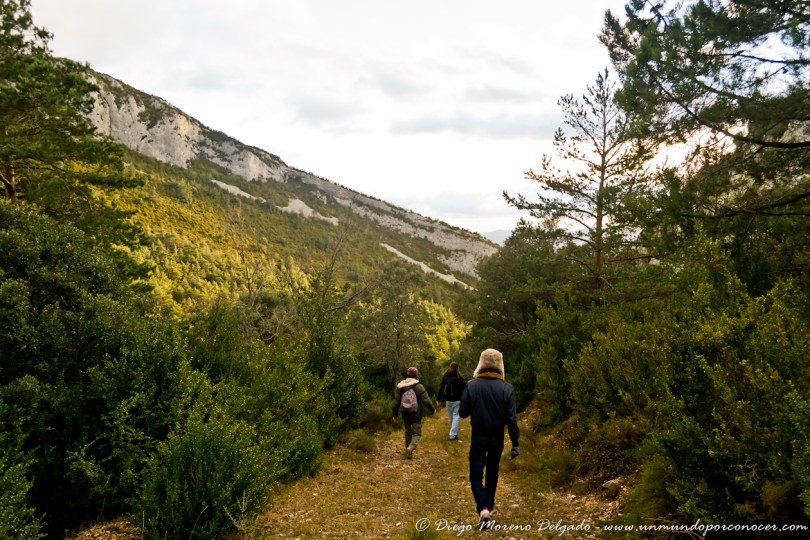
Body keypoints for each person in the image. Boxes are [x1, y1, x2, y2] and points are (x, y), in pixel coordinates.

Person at [458, 349, 519, 529]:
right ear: (500, 365)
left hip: (478, 435)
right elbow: (512, 419)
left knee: (476, 475)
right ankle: (488, 508)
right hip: (497, 436)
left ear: (481, 363)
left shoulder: (472, 385)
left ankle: (483, 508)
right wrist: (515, 443)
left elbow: (462, 413)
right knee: (492, 473)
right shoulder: (507, 388)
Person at [392, 366, 436, 458]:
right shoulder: (419, 387)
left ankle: (408, 452)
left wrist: (394, 415)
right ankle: (411, 448)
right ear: (416, 375)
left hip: (405, 414)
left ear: (407, 375)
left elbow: (396, 402)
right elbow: (426, 401)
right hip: (416, 414)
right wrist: (433, 409)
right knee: (417, 433)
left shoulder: (401, 387)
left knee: (407, 433)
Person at [436, 361, 466, 440]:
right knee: (456, 416)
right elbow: (464, 389)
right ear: (457, 368)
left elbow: (441, 388)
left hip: (448, 400)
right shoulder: (460, 377)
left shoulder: (445, 376)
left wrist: (438, 399)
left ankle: (454, 433)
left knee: (452, 417)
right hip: (457, 400)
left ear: (450, 367)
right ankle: (452, 434)